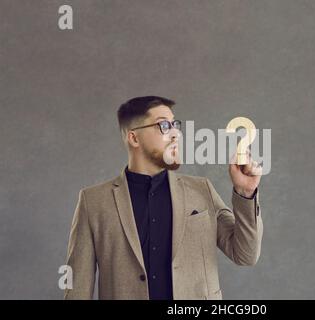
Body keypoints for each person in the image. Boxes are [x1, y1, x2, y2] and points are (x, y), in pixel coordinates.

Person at [64, 96, 263, 299]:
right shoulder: (93, 201)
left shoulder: (202, 190)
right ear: (134, 138)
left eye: (176, 125)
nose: (176, 133)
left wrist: (246, 193)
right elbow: (77, 286)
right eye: (164, 125)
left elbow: (246, 255)